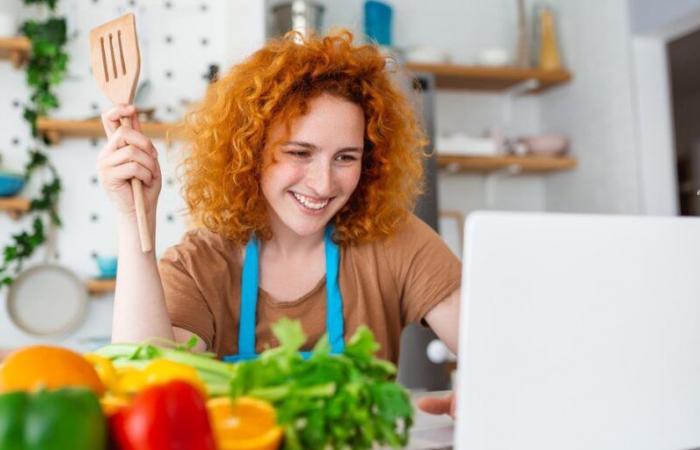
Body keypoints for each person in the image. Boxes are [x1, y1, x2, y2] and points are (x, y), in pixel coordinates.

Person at [97, 30, 459, 417]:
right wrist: (134, 217)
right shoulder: (202, 262)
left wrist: (486, 388)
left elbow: (499, 345)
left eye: (346, 158)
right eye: (300, 153)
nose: (323, 183)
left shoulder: (392, 239)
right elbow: (143, 383)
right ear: (251, 152)